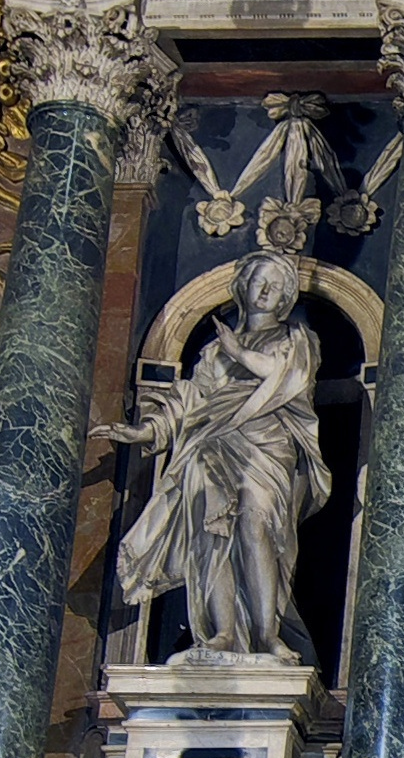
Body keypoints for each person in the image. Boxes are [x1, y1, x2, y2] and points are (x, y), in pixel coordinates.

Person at [103, 254, 329, 661]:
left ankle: (266, 634)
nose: (263, 291)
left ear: (285, 298)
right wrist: (146, 430)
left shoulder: (298, 339)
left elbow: (287, 378)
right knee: (212, 533)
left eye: (274, 286)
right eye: (258, 281)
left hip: (267, 447)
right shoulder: (212, 351)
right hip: (212, 444)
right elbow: (190, 399)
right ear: (243, 286)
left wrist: (239, 352)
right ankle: (223, 631)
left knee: (255, 522)